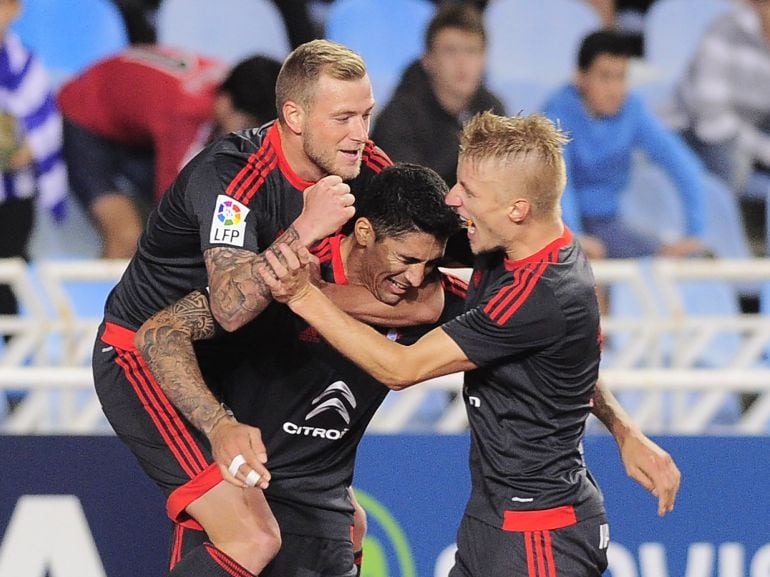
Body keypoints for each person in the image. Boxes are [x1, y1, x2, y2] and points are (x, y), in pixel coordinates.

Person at [258, 111, 682, 577]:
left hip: (538, 538)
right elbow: (573, 366)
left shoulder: (538, 295)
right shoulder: (516, 243)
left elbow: (402, 369)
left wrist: (302, 295)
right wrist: (625, 430)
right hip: (494, 521)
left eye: (468, 192)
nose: (454, 200)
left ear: (517, 208)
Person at [91, 39, 445, 577]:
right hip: (151, 355)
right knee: (251, 537)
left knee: (344, 522)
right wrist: (307, 228)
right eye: (343, 117)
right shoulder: (230, 176)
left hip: (238, 353)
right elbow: (231, 307)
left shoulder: (367, 167)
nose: (360, 134)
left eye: (366, 115)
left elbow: (425, 273)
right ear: (294, 115)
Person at [134, 163, 466, 576]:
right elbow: (159, 332)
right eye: (407, 258)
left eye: (430, 265)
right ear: (363, 232)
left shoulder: (427, 297)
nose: (416, 277)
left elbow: (514, 316)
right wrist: (218, 424)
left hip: (326, 520)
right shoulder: (284, 271)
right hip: (242, 507)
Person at [58, 46, 282, 258]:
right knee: (126, 236)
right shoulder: (186, 116)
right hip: (83, 119)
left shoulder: (221, 87)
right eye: (249, 125)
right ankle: (100, 299)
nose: (252, 137)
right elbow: (174, 211)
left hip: (129, 126)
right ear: (225, 103)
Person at [542, 30, 707, 260]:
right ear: (580, 78)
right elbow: (559, 185)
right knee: (582, 266)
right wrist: (573, 237)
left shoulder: (633, 110)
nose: (615, 89)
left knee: (668, 260)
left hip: (609, 224)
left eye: (621, 77)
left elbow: (682, 165)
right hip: (555, 227)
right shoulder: (554, 117)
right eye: (605, 77)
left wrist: (695, 233)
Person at [371, 2, 504, 264]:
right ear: (428, 59)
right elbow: (411, 202)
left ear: (485, 58)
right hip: (411, 251)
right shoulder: (398, 116)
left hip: (474, 240)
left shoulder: (493, 109)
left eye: (472, 51)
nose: (462, 62)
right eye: (451, 51)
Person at [0, 0, 67, 407]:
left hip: (12, 200)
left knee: (7, 288)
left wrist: (21, 148)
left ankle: (19, 393)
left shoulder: (24, 64)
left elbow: (41, 130)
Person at [668, 0, 770, 204]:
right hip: (697, 129)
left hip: (754, 127)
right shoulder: (724, 31)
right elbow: (711, 118)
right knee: (734, 161)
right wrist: (763, 148)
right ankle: (711, 229)